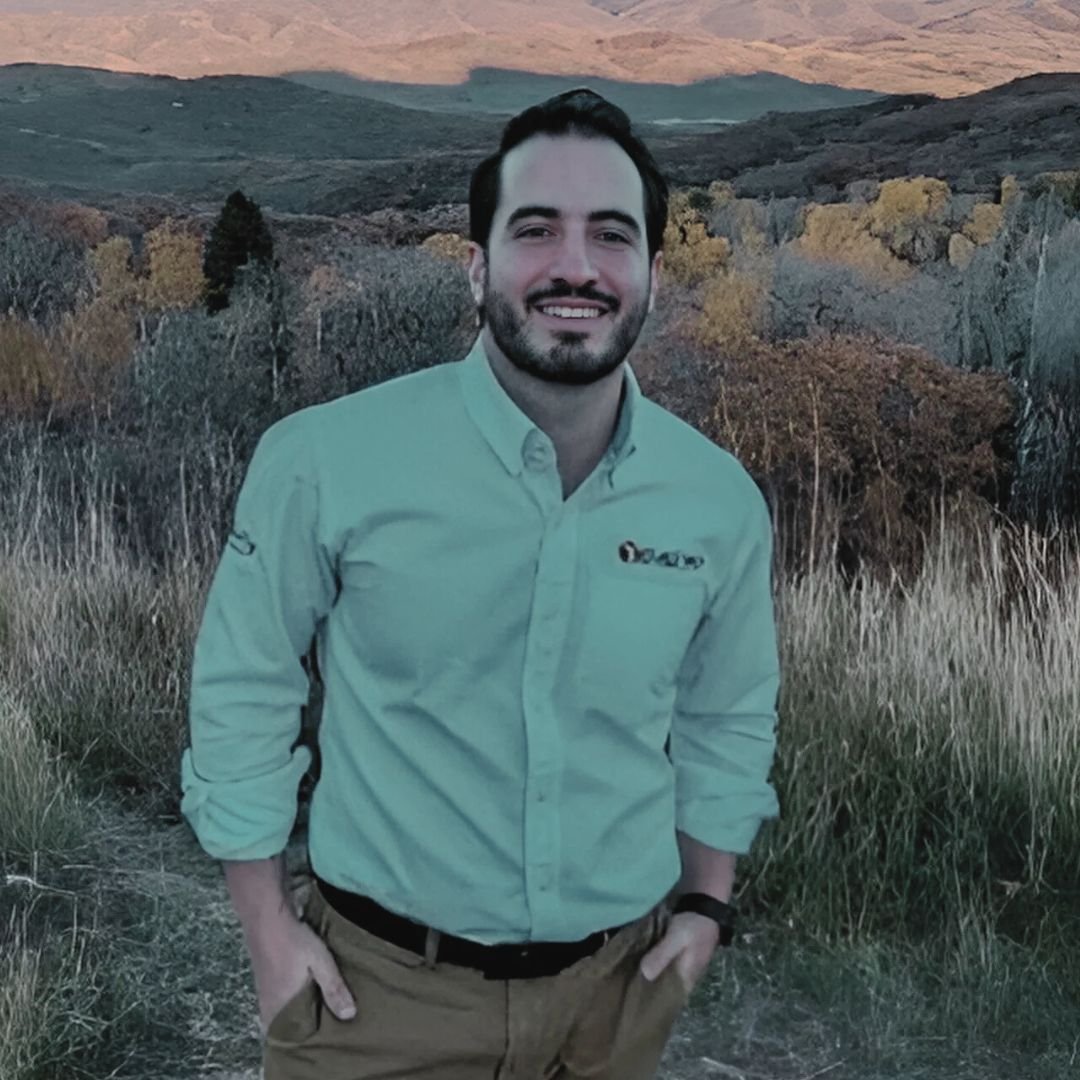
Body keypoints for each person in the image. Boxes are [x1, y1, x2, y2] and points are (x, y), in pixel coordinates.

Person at [179, 87, 781, 1080]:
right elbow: (245, 688)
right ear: (477, 265)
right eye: (536, 230)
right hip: (379, 1003)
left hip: (616, 1001)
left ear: (653, 275)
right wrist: (264, 927)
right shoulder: (327, 460)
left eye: (612, 235)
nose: (577, 267)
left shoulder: (715, 501)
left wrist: (708, 904)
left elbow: (728, 716)